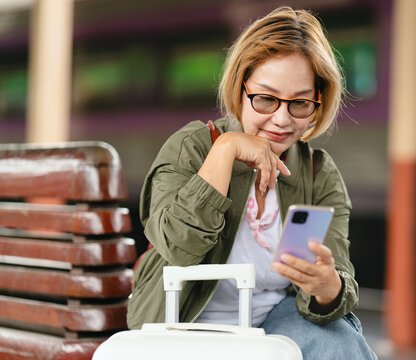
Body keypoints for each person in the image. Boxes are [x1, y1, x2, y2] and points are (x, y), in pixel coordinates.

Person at [127, 6, 377, 359]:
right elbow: (178, 247)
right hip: (183, 322)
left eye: (300, 104)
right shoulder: (195, 147)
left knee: (338, 340)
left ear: (317, 104)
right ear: (240, 88)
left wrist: (327, 287)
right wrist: (225, 150)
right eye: (265, 99)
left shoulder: (316, 172)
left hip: (273, 324)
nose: (281, 119)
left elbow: (335, 281)